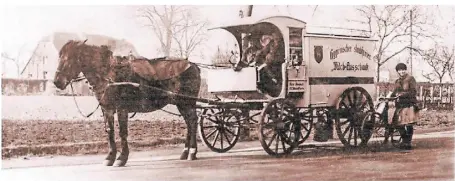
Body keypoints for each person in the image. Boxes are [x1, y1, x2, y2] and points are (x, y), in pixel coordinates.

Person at [391, 63, 419, 150]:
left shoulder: (410, 79)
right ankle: (405, 140)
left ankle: (408, 143)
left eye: (403, 69)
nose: (401, 71)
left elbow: (413, 91)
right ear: (397, 71)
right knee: (398, 124)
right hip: (400, 105)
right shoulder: (397, 81)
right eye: (399, 70)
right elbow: (394, 92)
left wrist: (402, 94)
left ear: (405, 70)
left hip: (409, 103)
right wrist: (390, 97)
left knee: (408, 124)